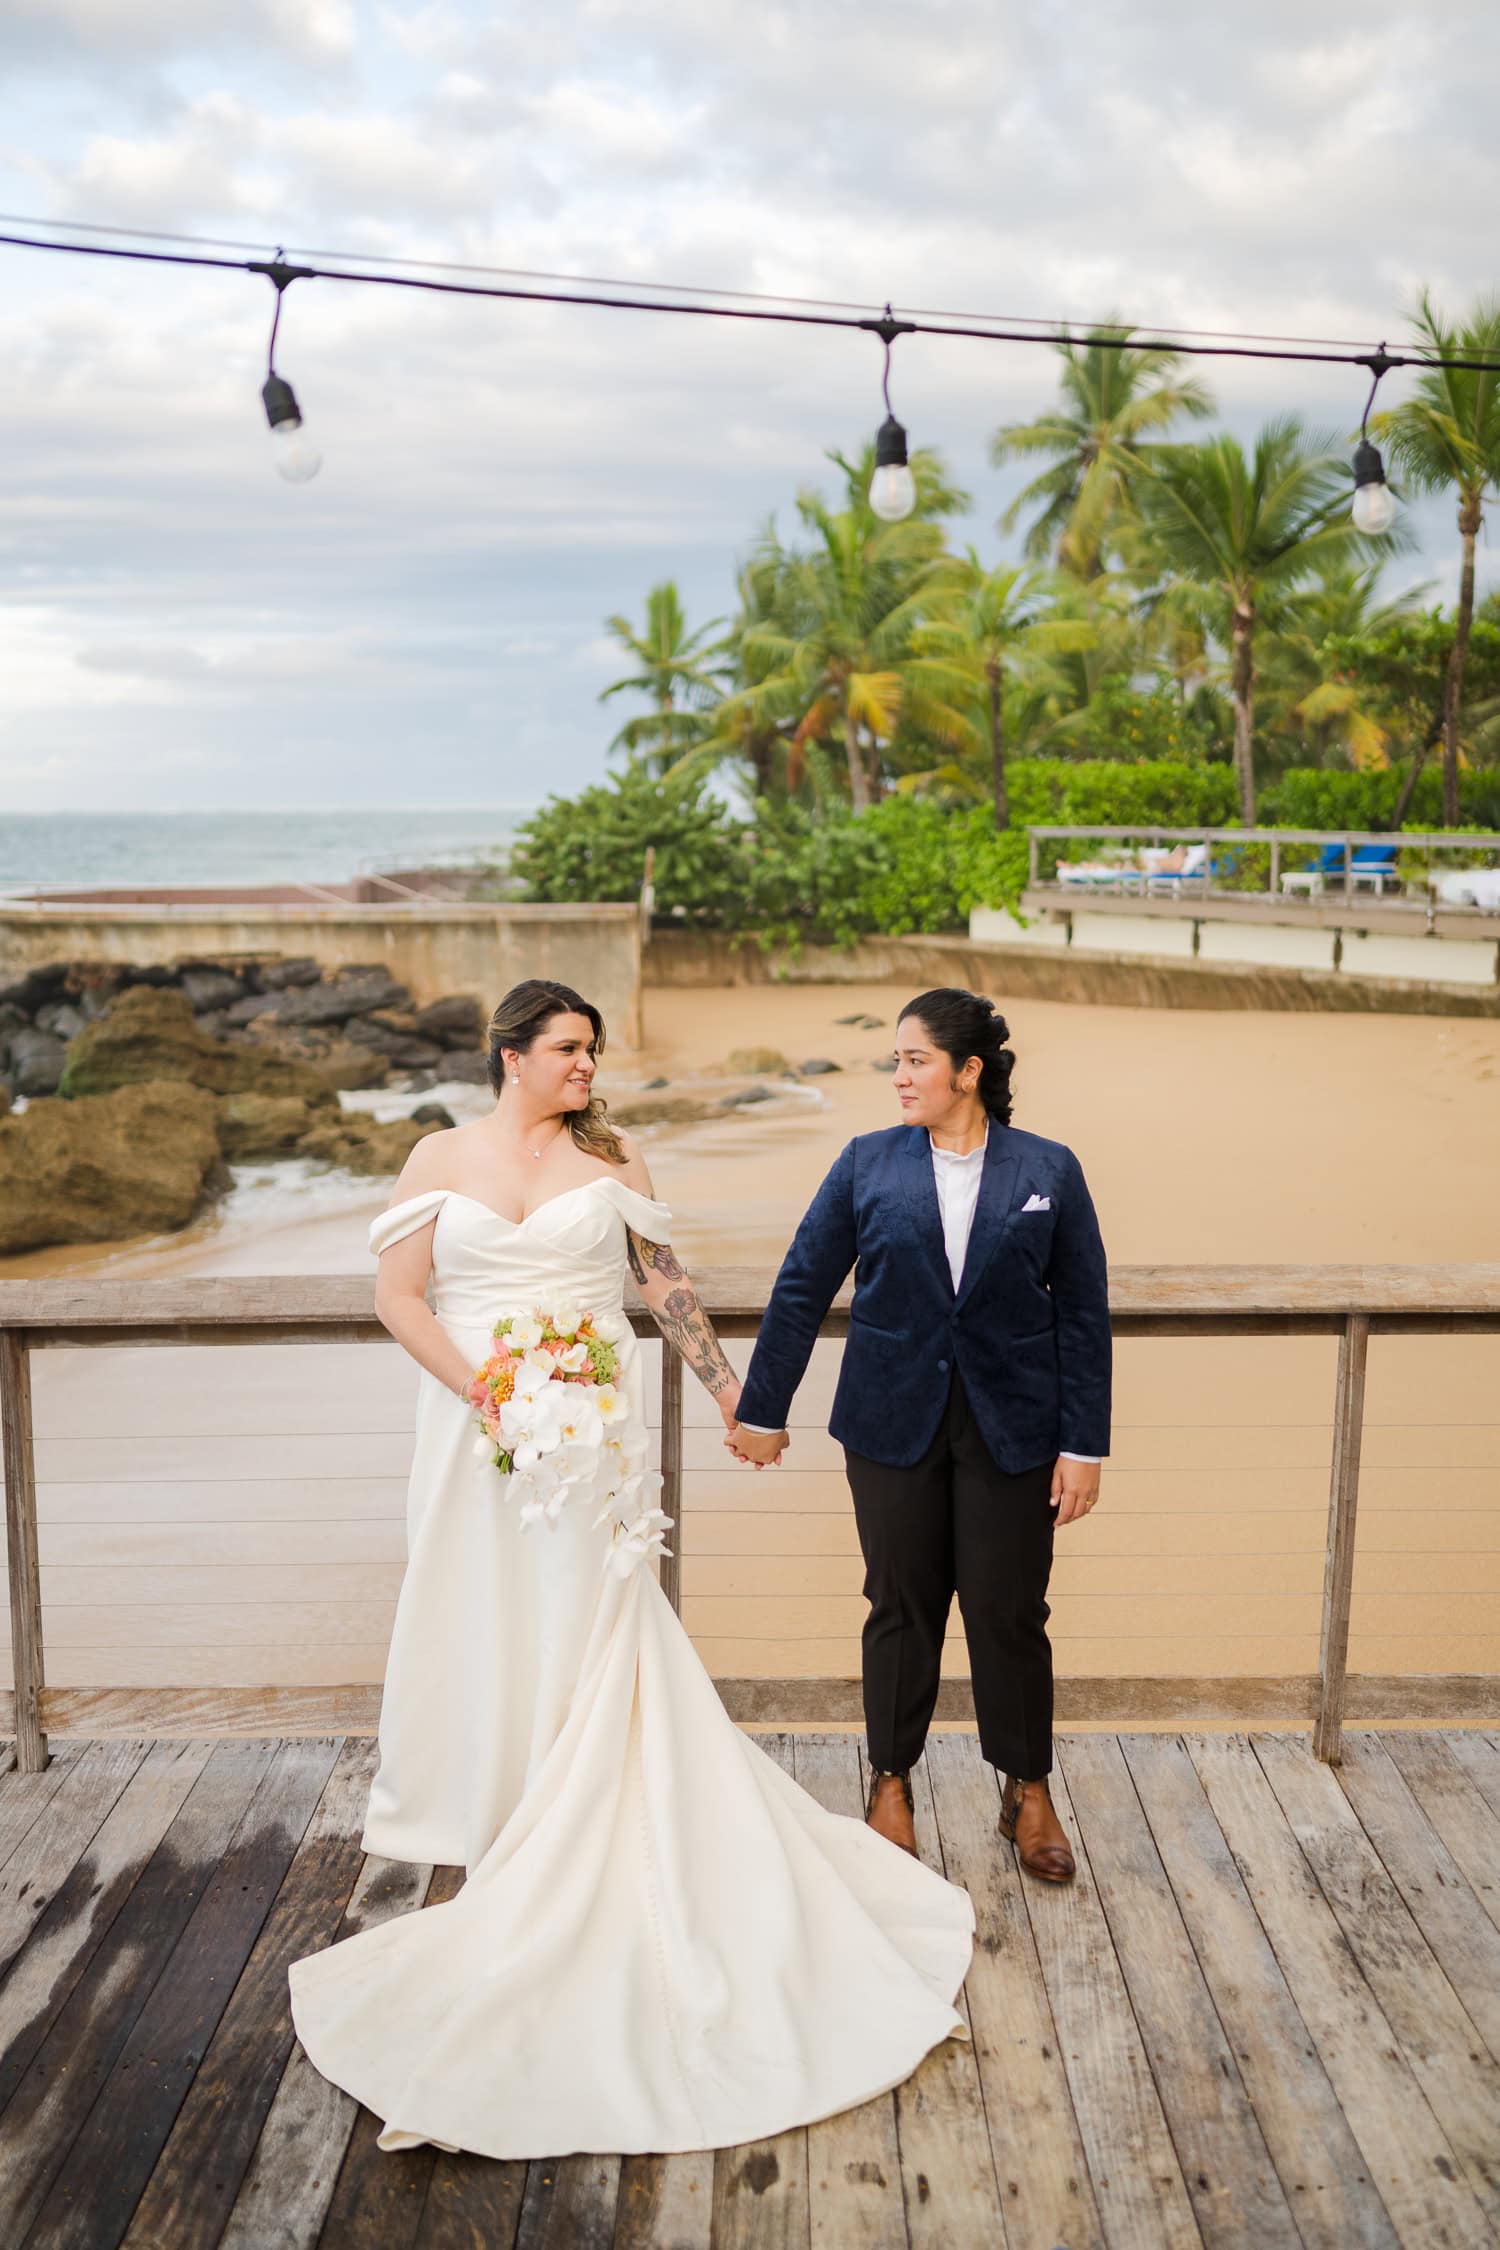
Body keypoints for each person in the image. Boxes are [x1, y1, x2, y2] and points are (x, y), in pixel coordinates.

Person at [288, 979, 973, 2160]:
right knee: (483, 1618)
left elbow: (663, 1289)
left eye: (592, 1052)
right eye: (567, 1051)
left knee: (593, 1620)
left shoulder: (615, 1159)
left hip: (591, 1435)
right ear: (511, 1057)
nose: (587, 1070)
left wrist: (736, 1398)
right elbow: (401, 1299)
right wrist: (483, 1391)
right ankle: (509, 1816)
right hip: (476, 1433)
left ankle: (593, 1822)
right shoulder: (435, 1158)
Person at [730, 989, 1110, 1883]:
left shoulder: (1049, 1169)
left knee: (1009, 1612)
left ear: (967, 1071)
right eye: (896, 1060)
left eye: (915, 1060)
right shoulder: (866, 1164)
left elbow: (1084, 1316)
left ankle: (1028, 1788)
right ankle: (890, 1780)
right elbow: (800, 1287)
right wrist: (762, 1410)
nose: (899, 1076)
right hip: (890, 1423)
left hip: (1015, 1430)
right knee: (899, 1607)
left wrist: (1084, 1446)